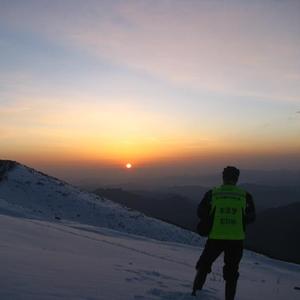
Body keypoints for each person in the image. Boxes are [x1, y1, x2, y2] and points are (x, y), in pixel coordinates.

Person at [192, 166, 256, 300]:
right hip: (236, 239)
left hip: (216, 237)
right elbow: (251, 217)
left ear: (223, 177)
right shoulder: (245, 196)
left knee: (204, 265)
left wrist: (213, 218)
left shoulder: (213, 194)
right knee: (232, 272)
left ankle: (195, 294)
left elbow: (200, 212)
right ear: (237, 179)